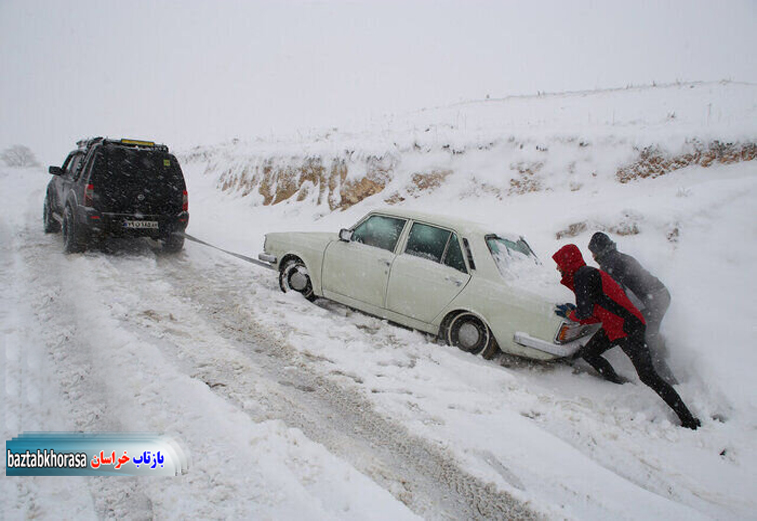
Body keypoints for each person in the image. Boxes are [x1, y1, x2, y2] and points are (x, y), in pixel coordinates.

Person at [552, 244, 700, 430]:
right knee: (590, 353)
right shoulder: (585, 274)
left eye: (559, 264)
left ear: (567, 262)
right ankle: (616, 383)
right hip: (615, 326)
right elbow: (597, 311)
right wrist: (576, 312)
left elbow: (585, 312)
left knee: (649, 375)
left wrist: (572, 313)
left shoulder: (583, 276)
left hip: (628, 328)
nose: (558, 268)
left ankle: (688, 419)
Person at [588, 232, 677, 385]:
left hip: (654, 301)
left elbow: (619, 295)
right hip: (662, 295)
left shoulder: (608, 265)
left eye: (593, 252)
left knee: (647, 342)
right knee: (650, 333)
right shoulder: (621, 256)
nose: (593, 257)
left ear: (598, 250)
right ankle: (663, 352)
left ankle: (671, 382)